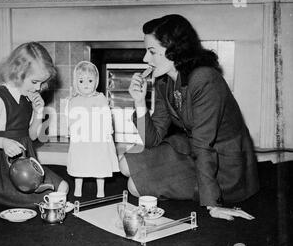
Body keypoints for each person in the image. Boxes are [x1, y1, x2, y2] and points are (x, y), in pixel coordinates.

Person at [119, 15, 259, 221]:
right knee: (124, 164)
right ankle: (173, 180)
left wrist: (212, 205)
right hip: (192, 151)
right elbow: (152, 139)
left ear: (174, 50)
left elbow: (204, 145)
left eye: (152, 52)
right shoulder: (164, 81)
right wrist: (139, 102)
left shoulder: (205, 80)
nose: (145, 59)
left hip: (224, 165)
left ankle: (189, 187)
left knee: (134, 187)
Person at [0, 42, 69, 207]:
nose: (38, 88)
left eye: (41, 82)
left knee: (62, 187)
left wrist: (38, 112)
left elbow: (31, 136)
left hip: (24, 161)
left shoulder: (26, 96)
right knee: (45, 198)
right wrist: (3, 142)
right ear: (18, 73)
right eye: (34, 82)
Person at [67, 61, 119, 198]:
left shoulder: (100, 98)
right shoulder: (73, 100)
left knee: (99, 163)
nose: (86, 84)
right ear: (76, 82)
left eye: (90, 80)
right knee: (79, 163)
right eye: (81, 81)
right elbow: (71, 118)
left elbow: (107, 116)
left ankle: (100, 190)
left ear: (96, 82)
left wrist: (108, 131)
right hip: (81, 139)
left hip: (98, 137)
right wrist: (71, 131)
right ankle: (78, 188)